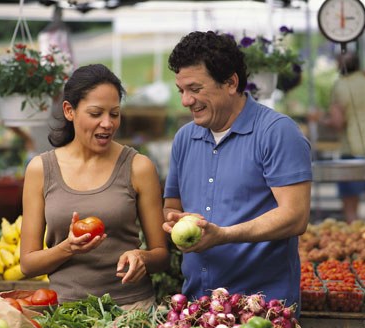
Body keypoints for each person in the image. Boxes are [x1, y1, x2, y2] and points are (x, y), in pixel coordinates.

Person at [162, 31, 312, 309]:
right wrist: (174, 222)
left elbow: (295, 216)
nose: (185, 100)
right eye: (181, 91)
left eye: (195, 89)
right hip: (198, 305)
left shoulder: (277, 132)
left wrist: (224, 235)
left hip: (264, 309)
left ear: (231, 83)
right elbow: (172, 205)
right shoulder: (185, 138)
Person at [20, 63, 169, 310]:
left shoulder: (139, 167)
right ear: (69, 111)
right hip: (66, 314)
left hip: (131, 309)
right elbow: (28, 264)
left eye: (114, 113)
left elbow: (161, 255)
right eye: (96, 113)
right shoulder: (41, 169)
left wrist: (142, 257)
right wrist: (68, 248)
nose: (107, 123)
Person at [322, 52, 365, 223]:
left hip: (353, 148)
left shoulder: (340, 85)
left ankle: (354, 240)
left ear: (340, 66)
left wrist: (321, 119)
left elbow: (338, 122)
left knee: (351, 208)